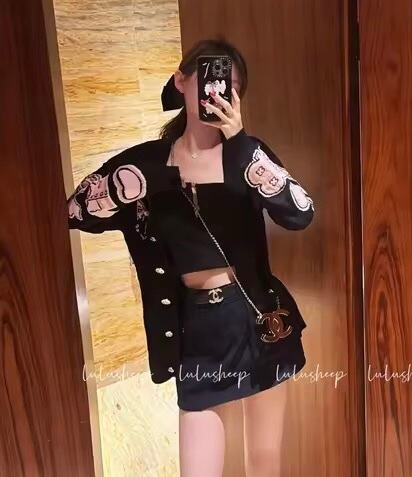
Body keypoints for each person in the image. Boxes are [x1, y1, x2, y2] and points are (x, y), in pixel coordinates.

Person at [67, 38, 314, 477]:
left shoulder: (247, 156)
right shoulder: (144, 164)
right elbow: (76, 212)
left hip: (258, 319)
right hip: (197, 330)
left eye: (228, 85)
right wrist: (128, 187)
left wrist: (242, 145)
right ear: (180, 82)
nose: (216, 91)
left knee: (264, 460)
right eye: (208, 77)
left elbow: (300, 214)